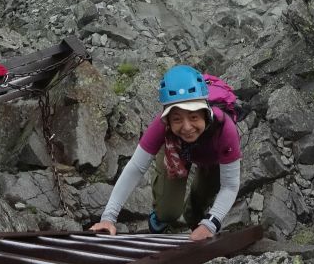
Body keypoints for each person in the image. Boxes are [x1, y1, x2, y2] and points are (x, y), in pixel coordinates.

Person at [90, 66, 242, 241]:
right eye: (177, 118)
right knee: (168, 212)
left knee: (200, 203)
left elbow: (230, 185)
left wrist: (210, 223)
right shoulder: (161, 126)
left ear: (205, 113)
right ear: (167, 119)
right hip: (174, 147)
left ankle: (195, 221)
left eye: (194, 117)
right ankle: (162, 218)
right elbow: (136, 167)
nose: (186, 127)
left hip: (212, 157)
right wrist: (108, 218)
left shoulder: (224, 128)